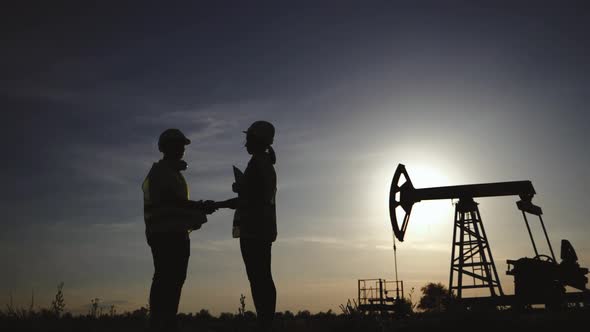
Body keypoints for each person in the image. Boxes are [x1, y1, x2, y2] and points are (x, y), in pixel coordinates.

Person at [142, 128, 217, 332]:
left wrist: (198, 208)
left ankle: (166, 320)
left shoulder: (172, 172)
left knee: (174, 279)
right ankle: (161, 322)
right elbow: (173, 203)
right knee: (167, 278)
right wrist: (199, 207)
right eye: (179, 145)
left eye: (183, 146)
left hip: (175, 233)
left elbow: (177, 204)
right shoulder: (162, 172)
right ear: (167, 147)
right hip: (166, 235)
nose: (183, 149)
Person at [216, 120, 277, 332]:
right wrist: (242, 188)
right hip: (260, 228)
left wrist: (219, 204)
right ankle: (266, 321)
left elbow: (252, 199)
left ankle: (265, 323)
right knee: (261, 278)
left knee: (259, 279)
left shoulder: (258, 163)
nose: (246, 143)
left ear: (257, 139)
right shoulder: (262, 163)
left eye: (249, 138)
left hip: (255, 230)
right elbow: (255, 194)